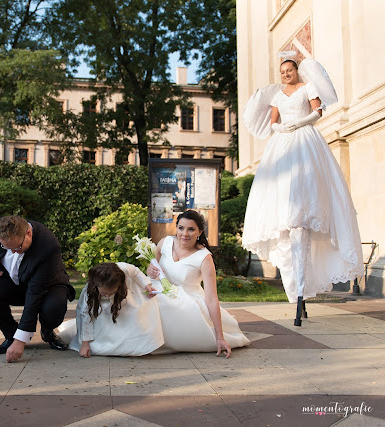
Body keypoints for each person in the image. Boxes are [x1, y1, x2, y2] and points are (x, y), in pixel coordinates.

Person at [241, 55, 363, 325]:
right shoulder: (278, 95)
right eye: (282, 71)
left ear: (296, 71)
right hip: (282, 144)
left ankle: (303, 291)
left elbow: (318, 112)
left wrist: (301, 123)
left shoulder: (308, 88)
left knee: (307, 188)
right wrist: (280, 126)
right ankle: (296, 291)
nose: (286, 75)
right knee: (285, 196)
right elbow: (272, 121)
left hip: (306, 139)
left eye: (289, 70)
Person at [59, 211, 250, 357]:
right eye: (181, 228)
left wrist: (219, 337)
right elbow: (152, 267)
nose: (185, 234)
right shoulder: (165, 242)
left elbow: (211, 298)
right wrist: (151, 271)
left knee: (156, 306)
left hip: (185, 297)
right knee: (129, 302)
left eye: (191, 229)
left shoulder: (204, 258)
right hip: (156, 288)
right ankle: (98, 338)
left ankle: (139, 343)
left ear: (200, 232)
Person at [0, 215, 76, 363]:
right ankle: (10, 335)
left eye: (17, 247)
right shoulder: (2, 230)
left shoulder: (48, 246)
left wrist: (21, 341)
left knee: (53, 308)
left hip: (49, 286)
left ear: (28, 234)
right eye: (7, 248)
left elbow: (35, 294)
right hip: (15, 282)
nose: (13, 252)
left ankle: (48, 332)